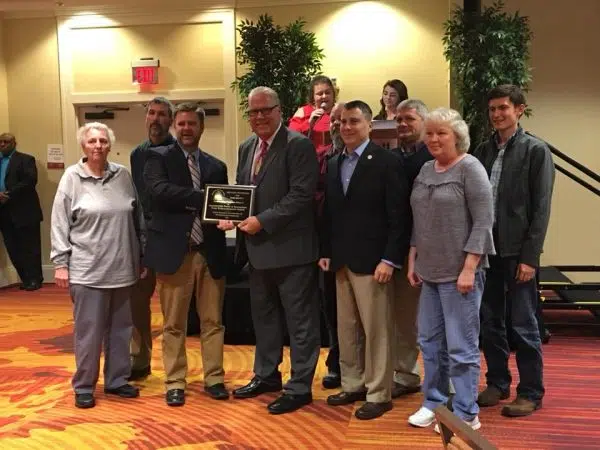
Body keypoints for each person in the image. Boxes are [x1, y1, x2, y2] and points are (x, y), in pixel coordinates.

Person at [219, 86, 321, 415]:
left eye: (266, 110)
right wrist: (231, 216)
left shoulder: (298, 145)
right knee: (264, 320)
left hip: (292, 252)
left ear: (280, 111)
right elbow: (244, 192)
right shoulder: (247, 147)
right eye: (254, 112)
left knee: (300, 323)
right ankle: (266, 375)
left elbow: (301, 195)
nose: (260, 116)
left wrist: (262, 221)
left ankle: (300, 386)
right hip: (256, 252)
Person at [320, 100, 411, 420]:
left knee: (377, 331)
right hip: (341, 261)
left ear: (369, 125)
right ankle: (353, 383)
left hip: (375, 263)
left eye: (354, 121)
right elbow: (330, 213)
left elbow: (399, 216)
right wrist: (326, 251)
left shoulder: (387, 161)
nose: (347, 127)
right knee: (347, 330)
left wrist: (390, 259)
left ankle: (378, 393)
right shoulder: (334, 163)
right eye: (343, 121)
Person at [407, 108, 494, 432]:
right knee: (429, 343)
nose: (433, 139)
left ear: (457, 136)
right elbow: (419, 218)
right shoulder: (425, 169)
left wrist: (470, 267)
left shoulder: (470, 168)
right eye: (429, 133)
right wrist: (413, 258)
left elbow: (484, 222)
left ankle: (466, 413)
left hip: (460, 275)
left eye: (441, 133)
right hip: (428, 271)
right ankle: (434, 402)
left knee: (461, 347)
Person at [473, 84, 555, 417]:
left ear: (519, 109)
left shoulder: (536, 151)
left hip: (518, 252)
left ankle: (531, 392)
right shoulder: (483, 150)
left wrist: (530, 258)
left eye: (503, 108)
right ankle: (497, 382)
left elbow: (541, 209)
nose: (497, 114)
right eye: (492, 109)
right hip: (487, 250)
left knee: (523, 323)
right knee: (490, 321)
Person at [50, 122, 143, 409]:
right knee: (89, 334)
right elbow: (59, 223)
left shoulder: (122, 175)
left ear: (109, 145)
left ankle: (116, 380)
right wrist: (60, 263)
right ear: (83, 146)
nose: (98, 146)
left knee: (121, 330)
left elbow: (136, 217)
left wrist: (140, 256)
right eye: (92, 141)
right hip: (87, 272)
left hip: (122, 269)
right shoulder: (72, 178)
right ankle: (84, 386)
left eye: (103, 141)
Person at [143, 102, 229, 406]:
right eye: (181, 124)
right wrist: (203, 197)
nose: (186, 129)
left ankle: (214, 378)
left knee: (213, 322)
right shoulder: (157, 158)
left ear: (201, 127)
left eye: (192, 123)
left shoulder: (216, 166)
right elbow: (159, 192)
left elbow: (223, 206)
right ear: (174, 127)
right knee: (174, 324)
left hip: (209, 252)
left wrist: (227, 215)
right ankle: (175, 381)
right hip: (174, 254)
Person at [128, 97, 176, 381]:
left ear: (170, 120)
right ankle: (140, 359)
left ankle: (174, 368)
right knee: (137, 303)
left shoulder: (178, 151)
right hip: (143, 239)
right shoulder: (137, 154)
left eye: (161, 114)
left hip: (170, 239)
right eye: (152, 113)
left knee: (172, 308)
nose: (155, 119)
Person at [389, 99, 433, 399]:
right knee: (404, 319)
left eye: (410, 119)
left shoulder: (435, 156)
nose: (403, 124)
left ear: (424, 122)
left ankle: (445, 382)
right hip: (402, 249)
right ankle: (406, 375)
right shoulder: (391, 158)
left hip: (435, 250)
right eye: (399, 120)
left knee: (436, 321)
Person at [320, 102, 344, 390]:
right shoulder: (323, 157)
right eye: (334, 120)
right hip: (327, 247)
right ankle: (336, 363)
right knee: (331, 310)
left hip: (359, 248)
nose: (338, 125)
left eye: (344, 119)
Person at [0, 133, 43, 291]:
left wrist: (8, 194)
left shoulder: (26, 159)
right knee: (12, 247)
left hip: (25, 210)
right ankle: (25, 279)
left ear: (14, 143)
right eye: (0, 142)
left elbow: (30, 181)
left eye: (6, 142)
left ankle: (35, 279)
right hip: (3, 211)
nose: (2, 144)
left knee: (30, 247)